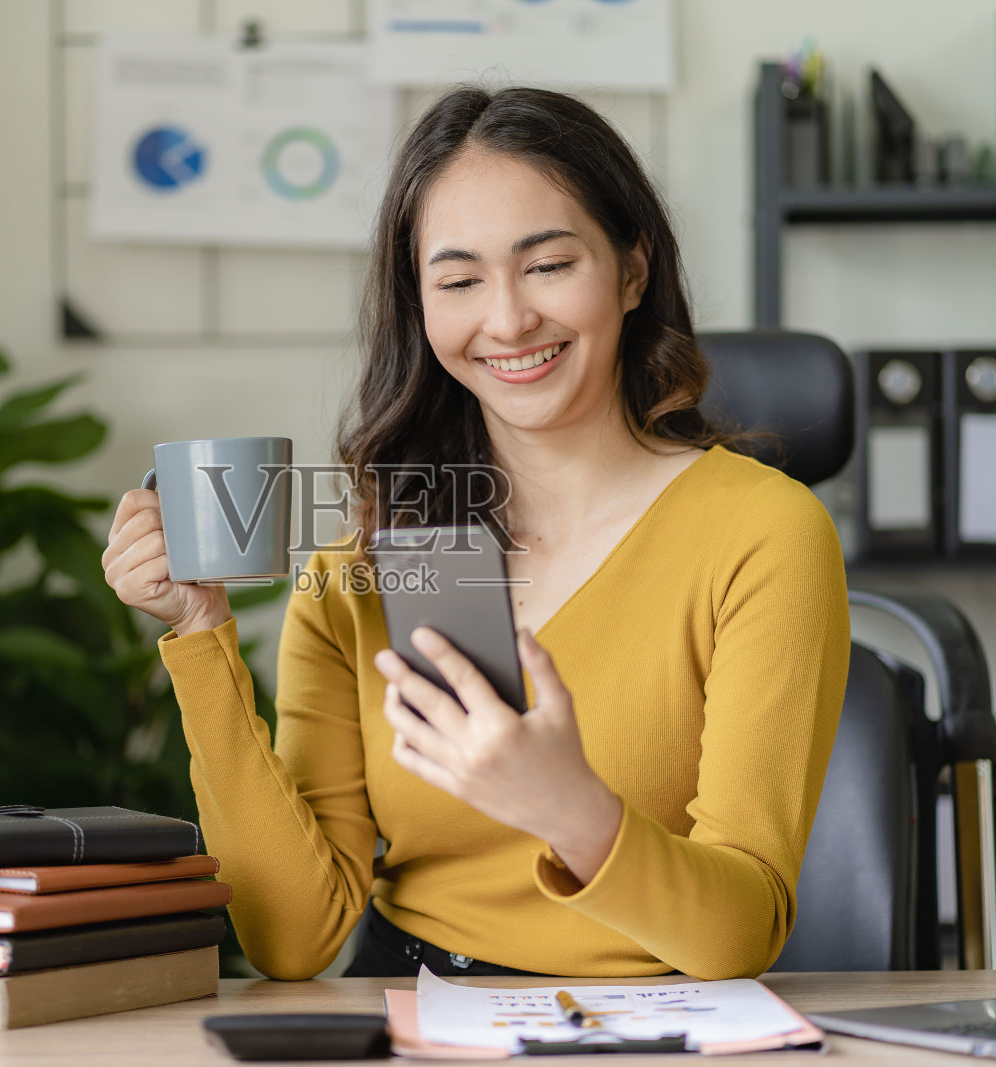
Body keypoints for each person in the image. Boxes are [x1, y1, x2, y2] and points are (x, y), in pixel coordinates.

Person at [102, 86, 850, 981]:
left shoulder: (763, 535)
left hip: (650, 1026)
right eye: (459, 281)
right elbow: (291, 940)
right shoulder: (366, 566)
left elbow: (739, 935)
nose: (507, 320)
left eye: (548, 265)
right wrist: (198, 632)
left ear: (632, 272)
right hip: (410, 1012)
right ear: (421, 307)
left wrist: (570, 809)